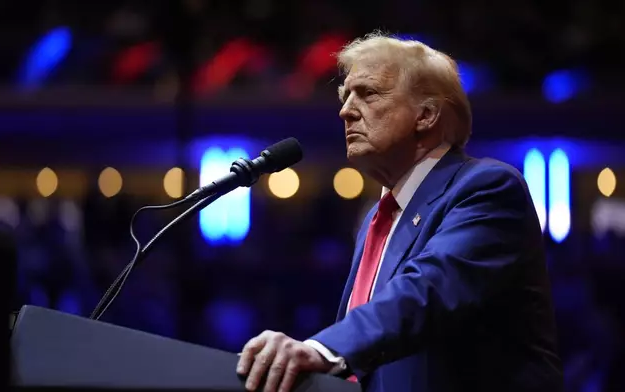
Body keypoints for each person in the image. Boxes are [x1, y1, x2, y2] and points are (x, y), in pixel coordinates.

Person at [237, 32, 563, 392]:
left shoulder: (487, 188)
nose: (345, 110)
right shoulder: (376, 218)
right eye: (346, 95)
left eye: (368, 93)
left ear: (425, 114)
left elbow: (429, 289)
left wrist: (323, 348)